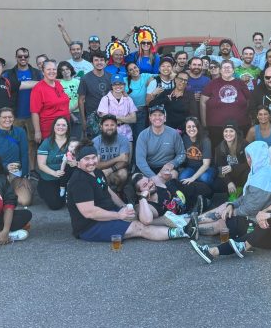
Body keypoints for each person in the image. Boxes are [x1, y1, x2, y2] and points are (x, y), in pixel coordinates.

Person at [66, 141, 195, 243]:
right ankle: (183, 232)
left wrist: (124, 207)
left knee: (137, 216)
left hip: (108, 213)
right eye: (86, 159)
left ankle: (183, 221)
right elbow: (90, 212)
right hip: (90, 226)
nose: (91, 162)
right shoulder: (79, 181)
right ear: (78, 161)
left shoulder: (97, 171)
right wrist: (118, 216)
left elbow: (109, 191)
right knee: (139, 227)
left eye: (93, 157)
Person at [191, 166, 271, 263]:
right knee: (252, 234)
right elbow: (267, 210)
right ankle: (212, 252)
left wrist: (269, 216)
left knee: (269, 221)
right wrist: (262, 216)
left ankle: (243, 246)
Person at [195, 141, 271, 238]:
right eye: (248, 156)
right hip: (254, 212)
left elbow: (251, 208)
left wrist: (233, 211)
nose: (248, 160)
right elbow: (246, 197)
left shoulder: (264, 177)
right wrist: (231, 205)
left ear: (258, 156)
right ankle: (188, 222)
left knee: (222, 221)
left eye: (251, 157)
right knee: (224, 208)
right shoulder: (259, 170)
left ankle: (189, 227)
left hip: (261, 221)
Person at [0, 107, 33, 206]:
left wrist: (24, 175)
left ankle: (16, 189)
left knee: (25, 201)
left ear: (13, 118)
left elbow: (24, 154)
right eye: (4, 117)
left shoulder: (20, 132)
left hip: (16, 173)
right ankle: (7, 191)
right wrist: (5, 166)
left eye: (10, 117)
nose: (7, 120)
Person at [4, 47, 43, 170]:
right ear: (16, 57)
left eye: (25, 56)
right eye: (20, 56)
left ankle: (31, 170)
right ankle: (15, 170)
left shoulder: (37, 73)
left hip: (32, 114)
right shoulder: (8, 74)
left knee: (32, 143)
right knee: (13, 143)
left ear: (28, 57)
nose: (23, 58)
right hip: (15, 114)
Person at [201, 60, 251, 148]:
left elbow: (249, 101)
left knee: (239, 153)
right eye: (224, 67)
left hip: (240, 126)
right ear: (220, 70)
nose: (227, 69)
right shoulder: (212, 84)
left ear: (233, 70)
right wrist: (204, 124)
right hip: (216, 128)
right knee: (218, 154)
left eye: (229, 67)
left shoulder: (240, 83)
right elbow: (202, 102)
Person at [135, 104, 185, 182]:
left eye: (160, 115)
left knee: (174, 174)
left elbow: (182, 154)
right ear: (150, 118)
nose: (157, 117)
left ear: (165, 118)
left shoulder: (173, 133)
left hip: (166, 168)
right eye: (154, 115)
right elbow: (140, 161)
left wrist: (172, 164)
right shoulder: (143, 135)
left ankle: (169, 193)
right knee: (138, 180)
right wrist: (153, 177)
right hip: (148, 167)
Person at [36, 117, 75, 210]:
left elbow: (81, 158)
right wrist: (54, 173)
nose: (60, 127)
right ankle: (42, 189)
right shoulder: (46, 143)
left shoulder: (72, 142)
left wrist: (75, 162)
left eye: (63, 125)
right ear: (54, 127)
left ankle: (68, 192)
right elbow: (41, 165)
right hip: (50, 177)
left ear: (67, 127)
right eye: (58, 125)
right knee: (55, 205)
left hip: (67, 177)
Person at [30, 59, 71, 144]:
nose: (52, 71)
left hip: (64, 128)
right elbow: (34, 112)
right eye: (48, 69)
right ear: (43, 72)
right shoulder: (38, 89)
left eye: (54, 69)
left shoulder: (58, 84)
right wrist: (37, 131)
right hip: (49, 130)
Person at [92, 115, 131, 194]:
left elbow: (125, 161)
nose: (109, 127)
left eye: (112, 125)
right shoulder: (95, 141)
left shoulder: (123, 139)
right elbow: (96, 165)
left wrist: (110, 170)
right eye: (106, 125)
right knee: (99, 176)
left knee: (123, 174)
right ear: (101, 126)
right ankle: (105, 194)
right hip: (100, 172)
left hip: (116, 170)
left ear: (116, 126)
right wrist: (117, 159)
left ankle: (119, 192)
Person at [77, 51, 112, 139]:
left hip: (109, 115)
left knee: (109, 140)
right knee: (95, 143)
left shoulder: (111, 77)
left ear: (105, 62)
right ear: (92, 63)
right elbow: (81, 100)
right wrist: (83, 120)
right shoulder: (85, 78)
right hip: (92, 117)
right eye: (96, 60)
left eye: (101, 60)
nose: (99, 62)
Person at [212, 123, 250, 199]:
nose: (228, 134)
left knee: (248, 174)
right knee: (216, 184)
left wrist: (233, 167)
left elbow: (249, 164)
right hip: (230, 176)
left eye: (231, 131)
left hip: (243, 174)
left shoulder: (244, 144)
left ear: (236, 133)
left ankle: (243, 193)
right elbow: (220, 168)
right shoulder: (219, 148)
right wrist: (229, 182)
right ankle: (234, 193)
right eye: (226, 131)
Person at [97, 74, 138, 142]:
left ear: (124, 85)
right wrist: (127, 118)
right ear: (112, 86)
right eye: (115, 84)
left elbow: (133, 119)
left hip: (126, 132)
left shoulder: (128, 99)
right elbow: (105, 120)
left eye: (120, 84)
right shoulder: (105, 99)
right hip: (110, 132)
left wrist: (112, 116)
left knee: (127, 152)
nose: (118, 86)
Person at [179, 117, 215, 187]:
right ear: (186, 129)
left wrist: (193, 178)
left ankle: (209, 192)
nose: (191, 129)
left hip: (207, 168)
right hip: (191, 167)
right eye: (188, 127)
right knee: (182, 178)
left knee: (204, 178)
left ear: (198, 128)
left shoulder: (205, 140)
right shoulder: (184, 138)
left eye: (194, 126)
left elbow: (206, 165)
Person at [125, 61, 150, 142]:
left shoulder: (145, 76)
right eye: (131, 70)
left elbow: (162, 76)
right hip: (128, 112)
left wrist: (152, 80)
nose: (134, 70)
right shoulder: (124, 80)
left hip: (142, 111)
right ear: (128, 73)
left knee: (140, 136)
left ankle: (138, 154)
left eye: (135, 67)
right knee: (129, 137)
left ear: (138, 68)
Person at [57, 61, 83, 138]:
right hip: (63, 114)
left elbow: (81, 99)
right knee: (65, 137)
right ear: (60, 72)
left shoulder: (78, 82)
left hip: (78, 113)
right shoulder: (59, 84)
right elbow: (59, 101)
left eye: (67, 69)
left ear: (71, 69)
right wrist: (69, 113)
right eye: (63, 70)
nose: (65, 71)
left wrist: (71, 110)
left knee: (77, 138)